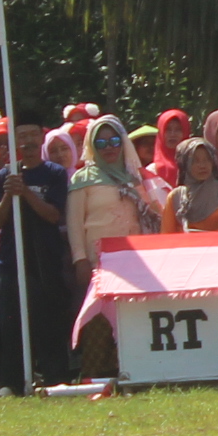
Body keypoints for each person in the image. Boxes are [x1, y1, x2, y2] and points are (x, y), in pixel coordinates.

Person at [0, 127, 72, 387]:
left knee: (48, 319)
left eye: (32, 135)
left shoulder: (54, 173)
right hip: (11, 258)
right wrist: (10, 192)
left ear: (41, 139)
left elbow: (53, 215)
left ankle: (55, 377)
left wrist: (27, 192)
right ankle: (13, 382)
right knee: (11, 322)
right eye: (22, 136)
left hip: (44, 258)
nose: (28, 142)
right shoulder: (5, 176)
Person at [64, 116, 157, 377]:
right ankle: (94, 376)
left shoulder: (132, 177)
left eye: (114, 140)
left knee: (128, 319)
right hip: (99, 264)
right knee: (98, 321)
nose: (109, 147)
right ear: (93, 146)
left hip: (133, 263)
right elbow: (74, 223)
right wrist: (80, 260)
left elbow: (147, 215)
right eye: (101, 142)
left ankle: (129, 374)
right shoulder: (83, 178)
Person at [167, 138, 218, 233]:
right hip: (185, 246)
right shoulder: (175, 196)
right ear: (185, 164)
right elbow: (166, 234)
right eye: (195, 161)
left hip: (216, 245)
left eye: (207, 160)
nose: (202, 166)